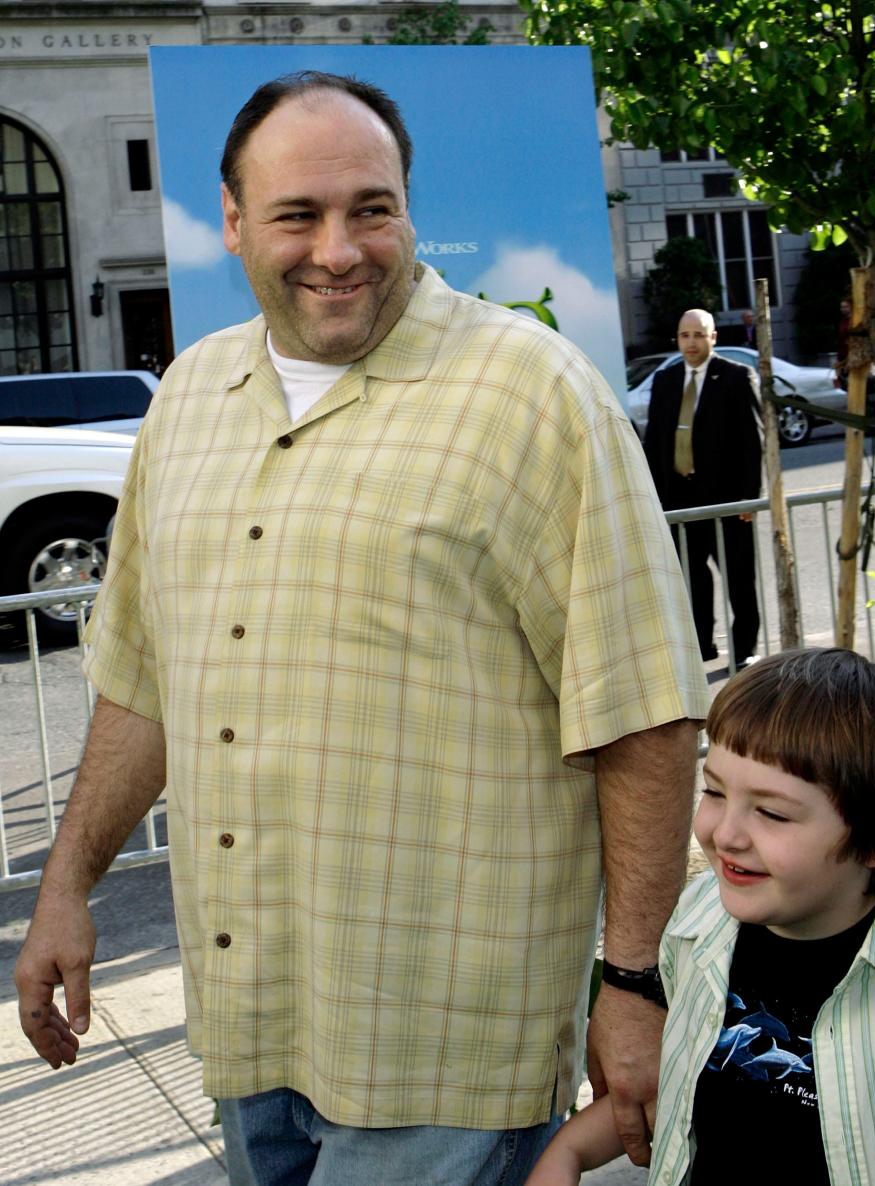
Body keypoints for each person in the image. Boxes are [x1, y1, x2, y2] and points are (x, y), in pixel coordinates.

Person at [14, 71, 710, 1186]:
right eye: (298, 214)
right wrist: (65, 886)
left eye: (371, 208)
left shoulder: (533, 395)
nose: (339, 249)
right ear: (234, 222)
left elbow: (644, 715)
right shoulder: (187, 401)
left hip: (447, 1056)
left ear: (407, 209)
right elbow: (141, 682)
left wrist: (633, 982)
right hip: (251, 1033)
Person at [526, 647, 875, 1186]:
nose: (724, 834)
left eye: (772, 813)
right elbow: (687, 1082)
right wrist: (567, 1152)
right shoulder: (698, 924)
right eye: (713, 791)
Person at [642, 309, 763, 668]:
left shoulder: (736, 376)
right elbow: (653, 443)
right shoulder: (665, 381)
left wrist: (750, 497)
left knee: (739, 578)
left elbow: (751, 441)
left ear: (713, 338)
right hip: (680, 498)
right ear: (677, 339)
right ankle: (703, 646)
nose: (691, 342)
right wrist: (653, 498)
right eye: (684, 335)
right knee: (692, 579)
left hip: (727, 500)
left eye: (699, 335)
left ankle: (745, 650)